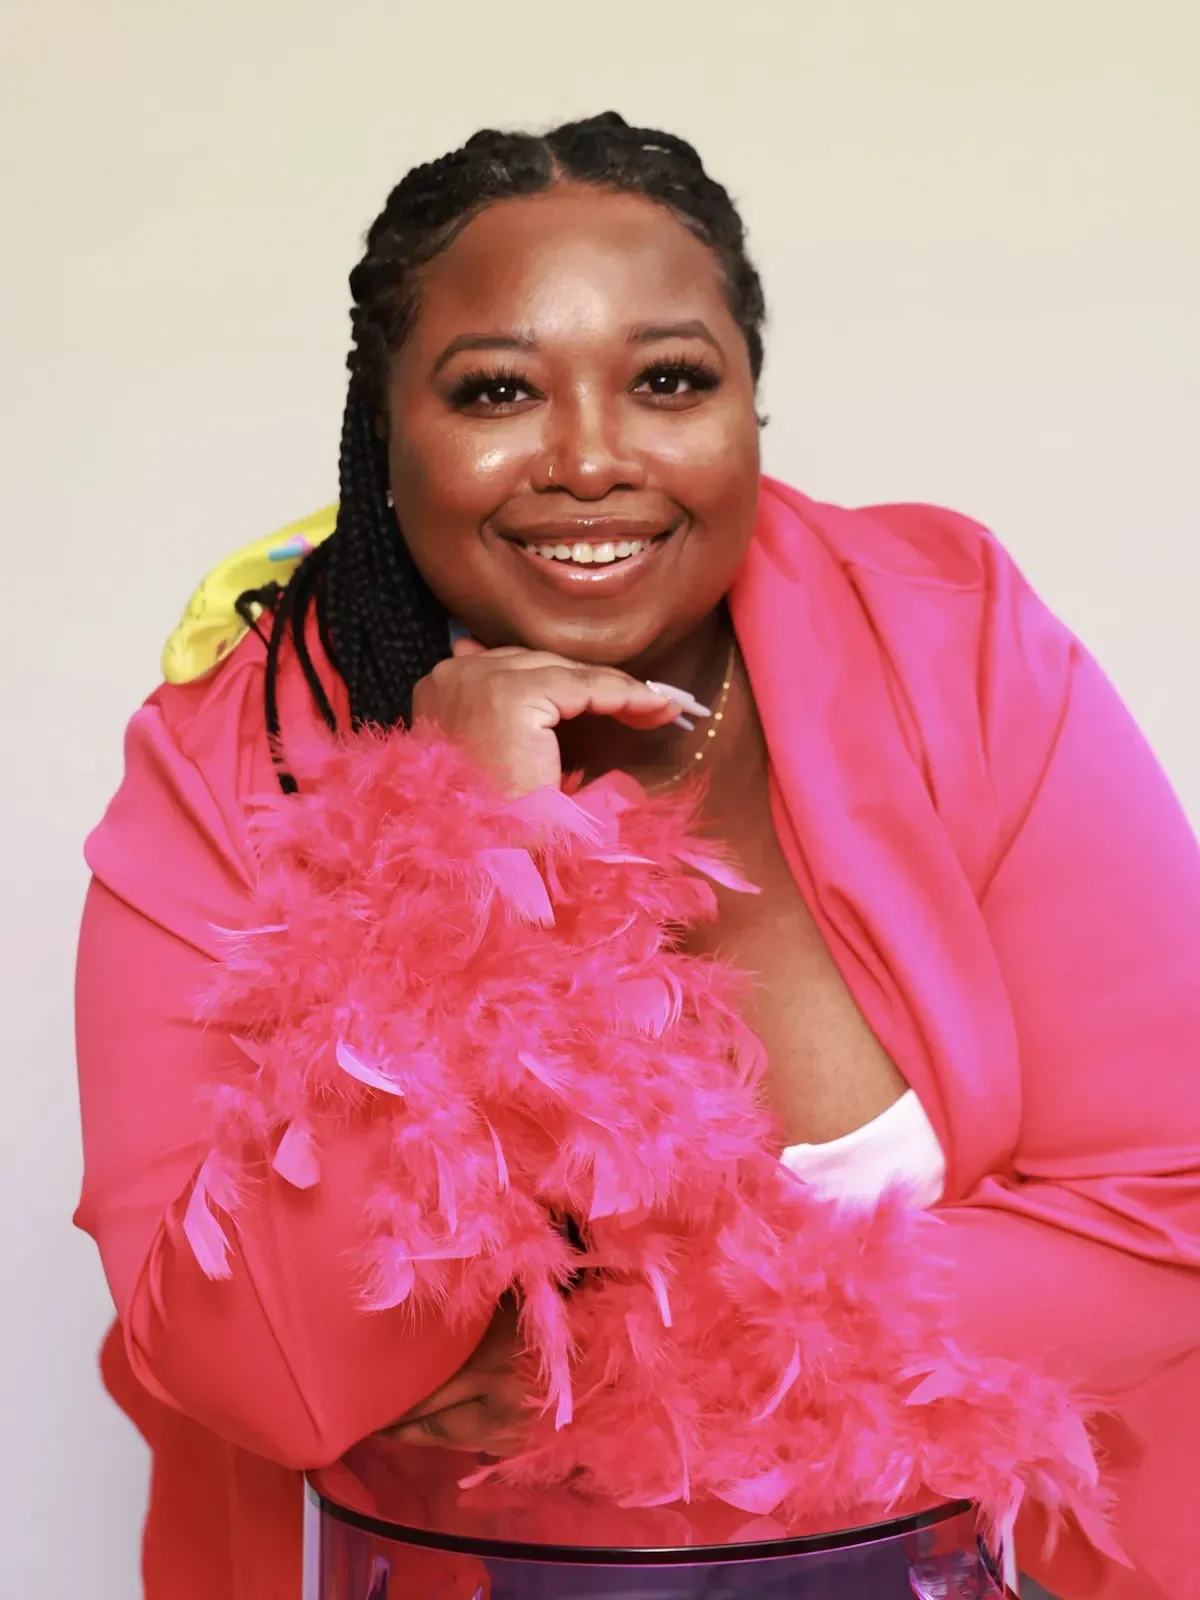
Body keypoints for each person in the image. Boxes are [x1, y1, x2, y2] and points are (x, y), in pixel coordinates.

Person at [74, 112, 1200, 1600]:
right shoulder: (228, 765)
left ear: (750, 408)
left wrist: (613, 1358)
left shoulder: (951, 642)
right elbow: (265, 1373)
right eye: (497, 390)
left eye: (668, 379)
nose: (594, 459)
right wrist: (458, 854)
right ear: (385, 434)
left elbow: (1168, 1210)